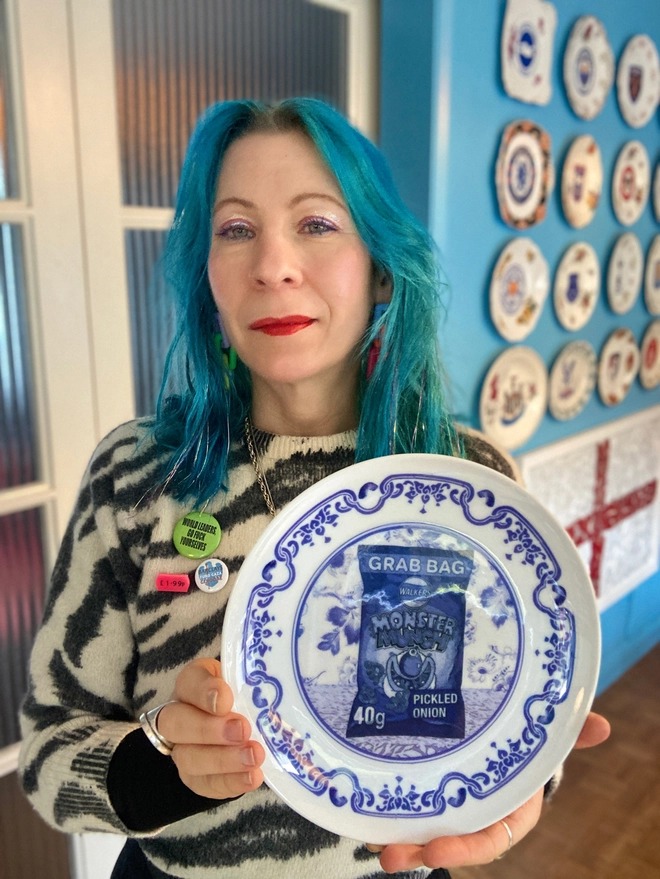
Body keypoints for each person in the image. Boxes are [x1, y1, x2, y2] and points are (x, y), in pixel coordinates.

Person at [19, 98, 609, 879]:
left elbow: (518, 718)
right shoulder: (135, 475)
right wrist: (168, 763)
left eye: (317, 223)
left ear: (382, 270)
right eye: (236, 230)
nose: (273, 265)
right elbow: (49, 754)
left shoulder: (467, 484)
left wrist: (517, 796)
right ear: (208, 275)